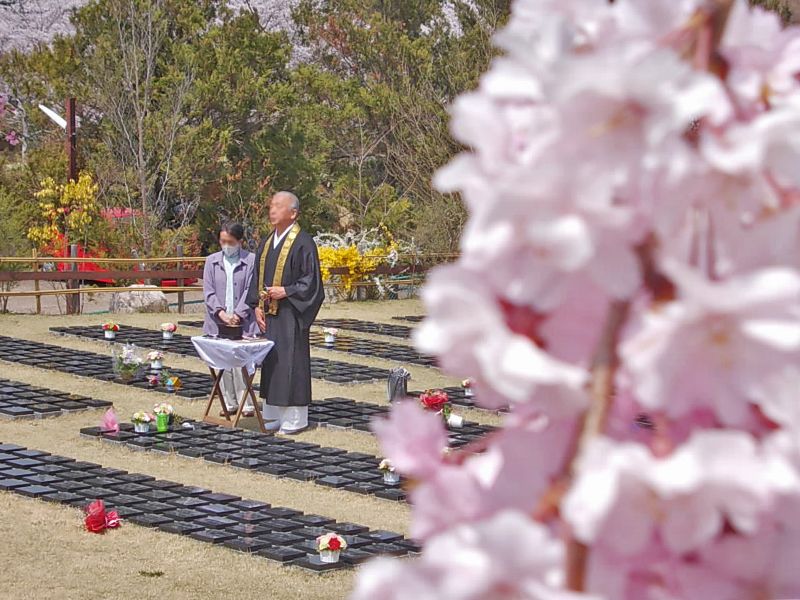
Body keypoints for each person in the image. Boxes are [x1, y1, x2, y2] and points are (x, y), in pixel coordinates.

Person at [246, 191, 324, 434]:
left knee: (290, 363)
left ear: (293, 213)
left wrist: (287, 291)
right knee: (272, 363)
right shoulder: (268, 242)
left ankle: (294, 418)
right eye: (271, 206)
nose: (272, 210)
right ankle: (271, 413)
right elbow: (257, 278)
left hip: (292, 314)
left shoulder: (303, 242)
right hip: (269, 315)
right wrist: (256, 306)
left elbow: (311, 282)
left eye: (278, 206)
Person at [203, 222, 258, 416]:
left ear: (240, 241)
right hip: (218, 321)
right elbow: (208, 291)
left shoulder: (251, 260)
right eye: (222, 241)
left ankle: (248, 402)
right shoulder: (211, 261)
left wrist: (238, 314)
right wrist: (221, 313)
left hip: (243, 320)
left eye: (230, 242)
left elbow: (250, 289)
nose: (226, 245)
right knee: (223, 361)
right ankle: (229, 401)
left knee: (243, 361)